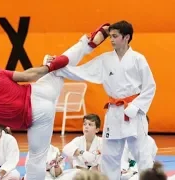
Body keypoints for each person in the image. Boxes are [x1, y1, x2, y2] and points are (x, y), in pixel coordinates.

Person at [0, 23, 110, 180]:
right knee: (59, 68)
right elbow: (29, 76)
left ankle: (68, 59)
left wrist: (1, 120)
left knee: (36, 160)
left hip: (37, 117)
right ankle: (86, 44)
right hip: (39, 92)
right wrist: (48, 67)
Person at [50, 20, 156, 180]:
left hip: (133, 113)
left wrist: (135, 106)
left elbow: (150, 86)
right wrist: (57, 67)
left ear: (126, 37)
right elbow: (81, 72)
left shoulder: (138, 59)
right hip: (114, 112)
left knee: (142, 154)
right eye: (110, 36)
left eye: (115, 36)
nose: (111, 39)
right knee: (109, 157)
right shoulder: (105, 59)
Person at [121, 115, 158, 180]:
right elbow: (123, 158)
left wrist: (134, 171)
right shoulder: (128, 140)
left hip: (142, 172)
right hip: (128, 170)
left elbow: (150, 162)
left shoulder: (151, 141)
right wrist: (123, 169)